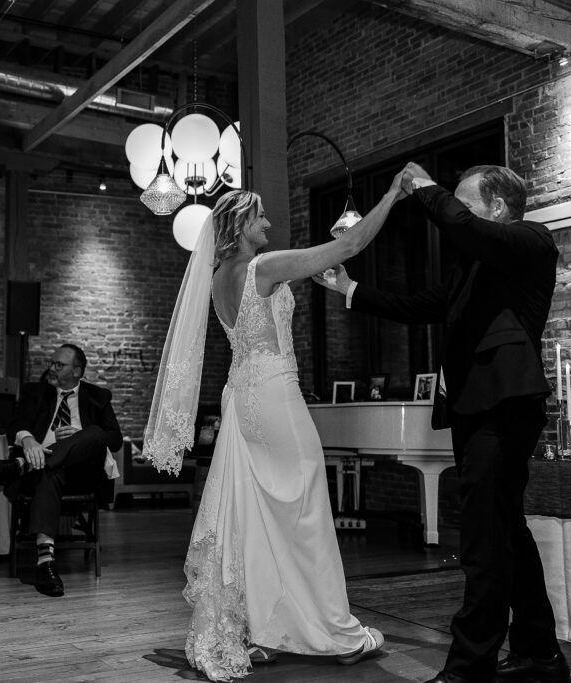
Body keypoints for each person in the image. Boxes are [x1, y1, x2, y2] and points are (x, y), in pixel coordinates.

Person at [143, 175, 407, 681]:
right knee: (306, 512)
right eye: (260, 216)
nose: (267, 223)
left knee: (257, 514)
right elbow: (349, 243)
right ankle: (335, 631)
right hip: (276, 395)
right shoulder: (263, 267)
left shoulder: (221, 274)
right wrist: (393, 194)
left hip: (242, 398)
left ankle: (262, 627)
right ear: (242, 222)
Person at [314, 163, 566, 683]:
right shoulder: (474, 268)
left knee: (482, 540)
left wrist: (427, 189)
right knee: (506, 532)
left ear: (497, 207)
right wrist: (350, 289)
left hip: (505, 404)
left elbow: (463, 227)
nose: (456, 212)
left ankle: (471, 667)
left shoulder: (531, 241)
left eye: (465, 201)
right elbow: (417, 306)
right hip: (479, 410)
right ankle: (540, 654)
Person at [0, 343, 122, 598]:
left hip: (83, 474)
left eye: (59, 365)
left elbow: (115, 439)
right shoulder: (36, 392)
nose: (52, 368)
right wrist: (27, 440)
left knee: (93, 432)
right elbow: (15, 424)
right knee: (51, 471)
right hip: (43, 471)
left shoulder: (98, 396)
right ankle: (45, 563)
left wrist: (80, 437)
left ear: (77, 371)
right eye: (51, 363)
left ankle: (19, 467)